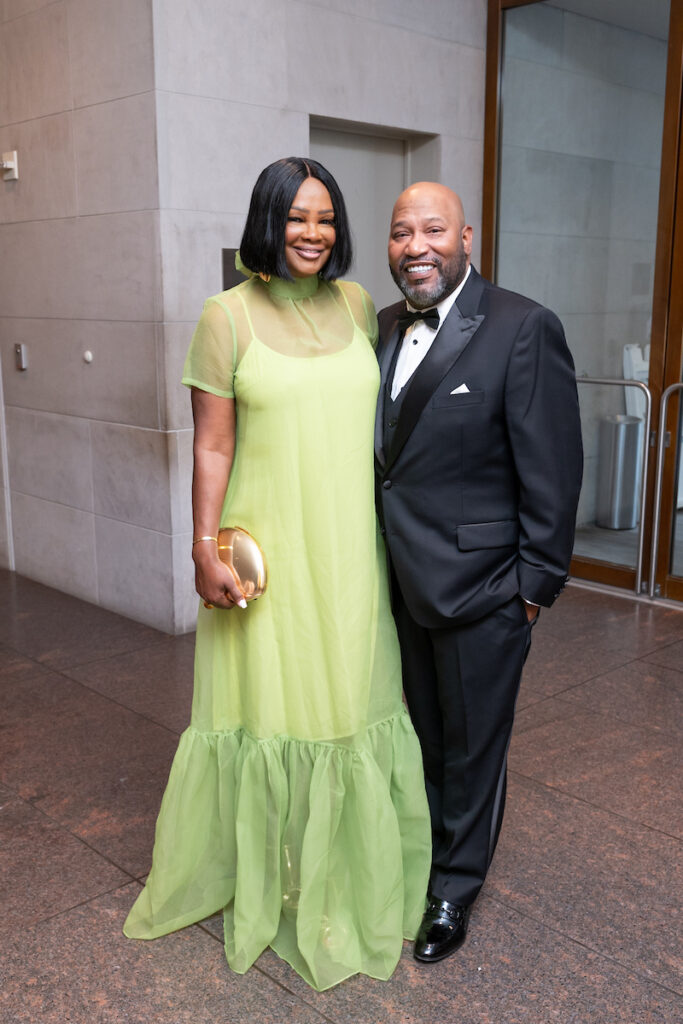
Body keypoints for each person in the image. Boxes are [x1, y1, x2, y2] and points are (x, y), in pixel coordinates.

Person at [123, 158, 431, 991]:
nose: (312, 233)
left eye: (326, 218)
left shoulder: (361, 304)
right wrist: (199, 545)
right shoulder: (224, 317)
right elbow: (213, 444)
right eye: (296, 216)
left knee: (349, 702)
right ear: (267, 220)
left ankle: (346, 880)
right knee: (274, 710)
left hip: (351, 549)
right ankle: (274, 883)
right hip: (270, 553)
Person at [374, 182, 583, 963]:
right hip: (399, 583)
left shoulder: (522, 327)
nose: (416, 245)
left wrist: (532, 590)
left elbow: (553, 470)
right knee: (421, 738)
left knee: (472, 750)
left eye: (432, 229)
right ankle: (421, 859)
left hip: (485, 589)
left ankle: (453, 890)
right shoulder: (384, 326)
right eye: (401, 232)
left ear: (467, 237)